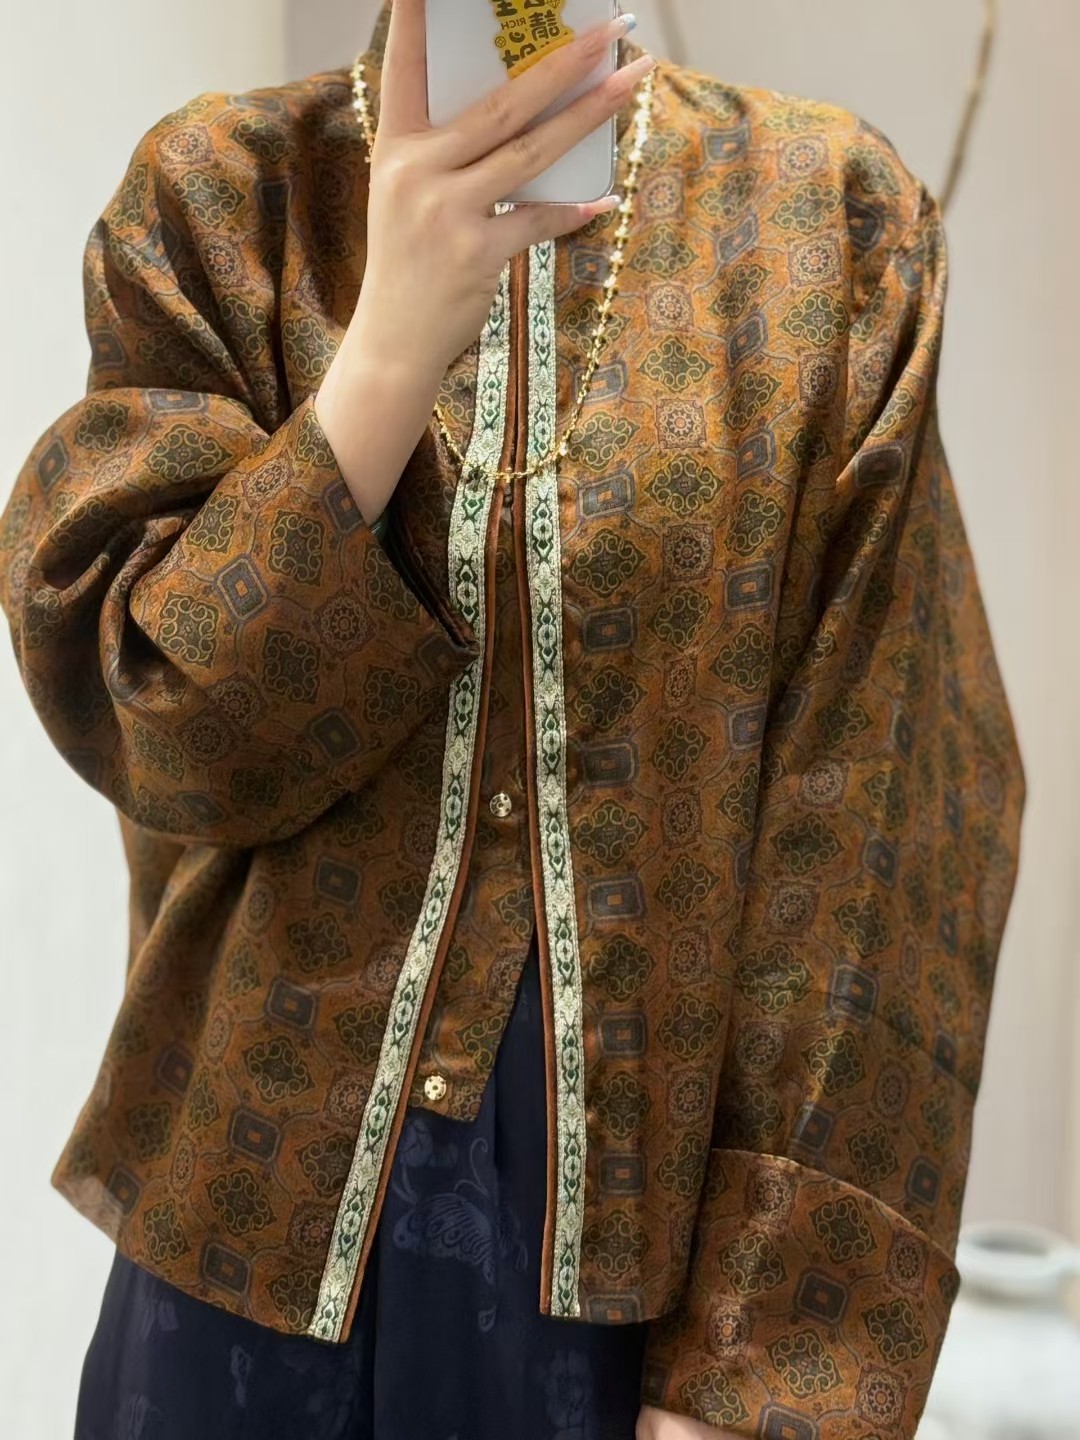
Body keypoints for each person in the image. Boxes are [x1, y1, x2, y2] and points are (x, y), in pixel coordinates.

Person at [0, 1, 1025, 1437]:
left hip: (623, 1310)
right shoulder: (228, 198)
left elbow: (886, 812)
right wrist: (385, 356)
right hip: (242, 1271)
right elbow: (164, 729)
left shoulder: (829, 226)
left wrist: (763, 1376)